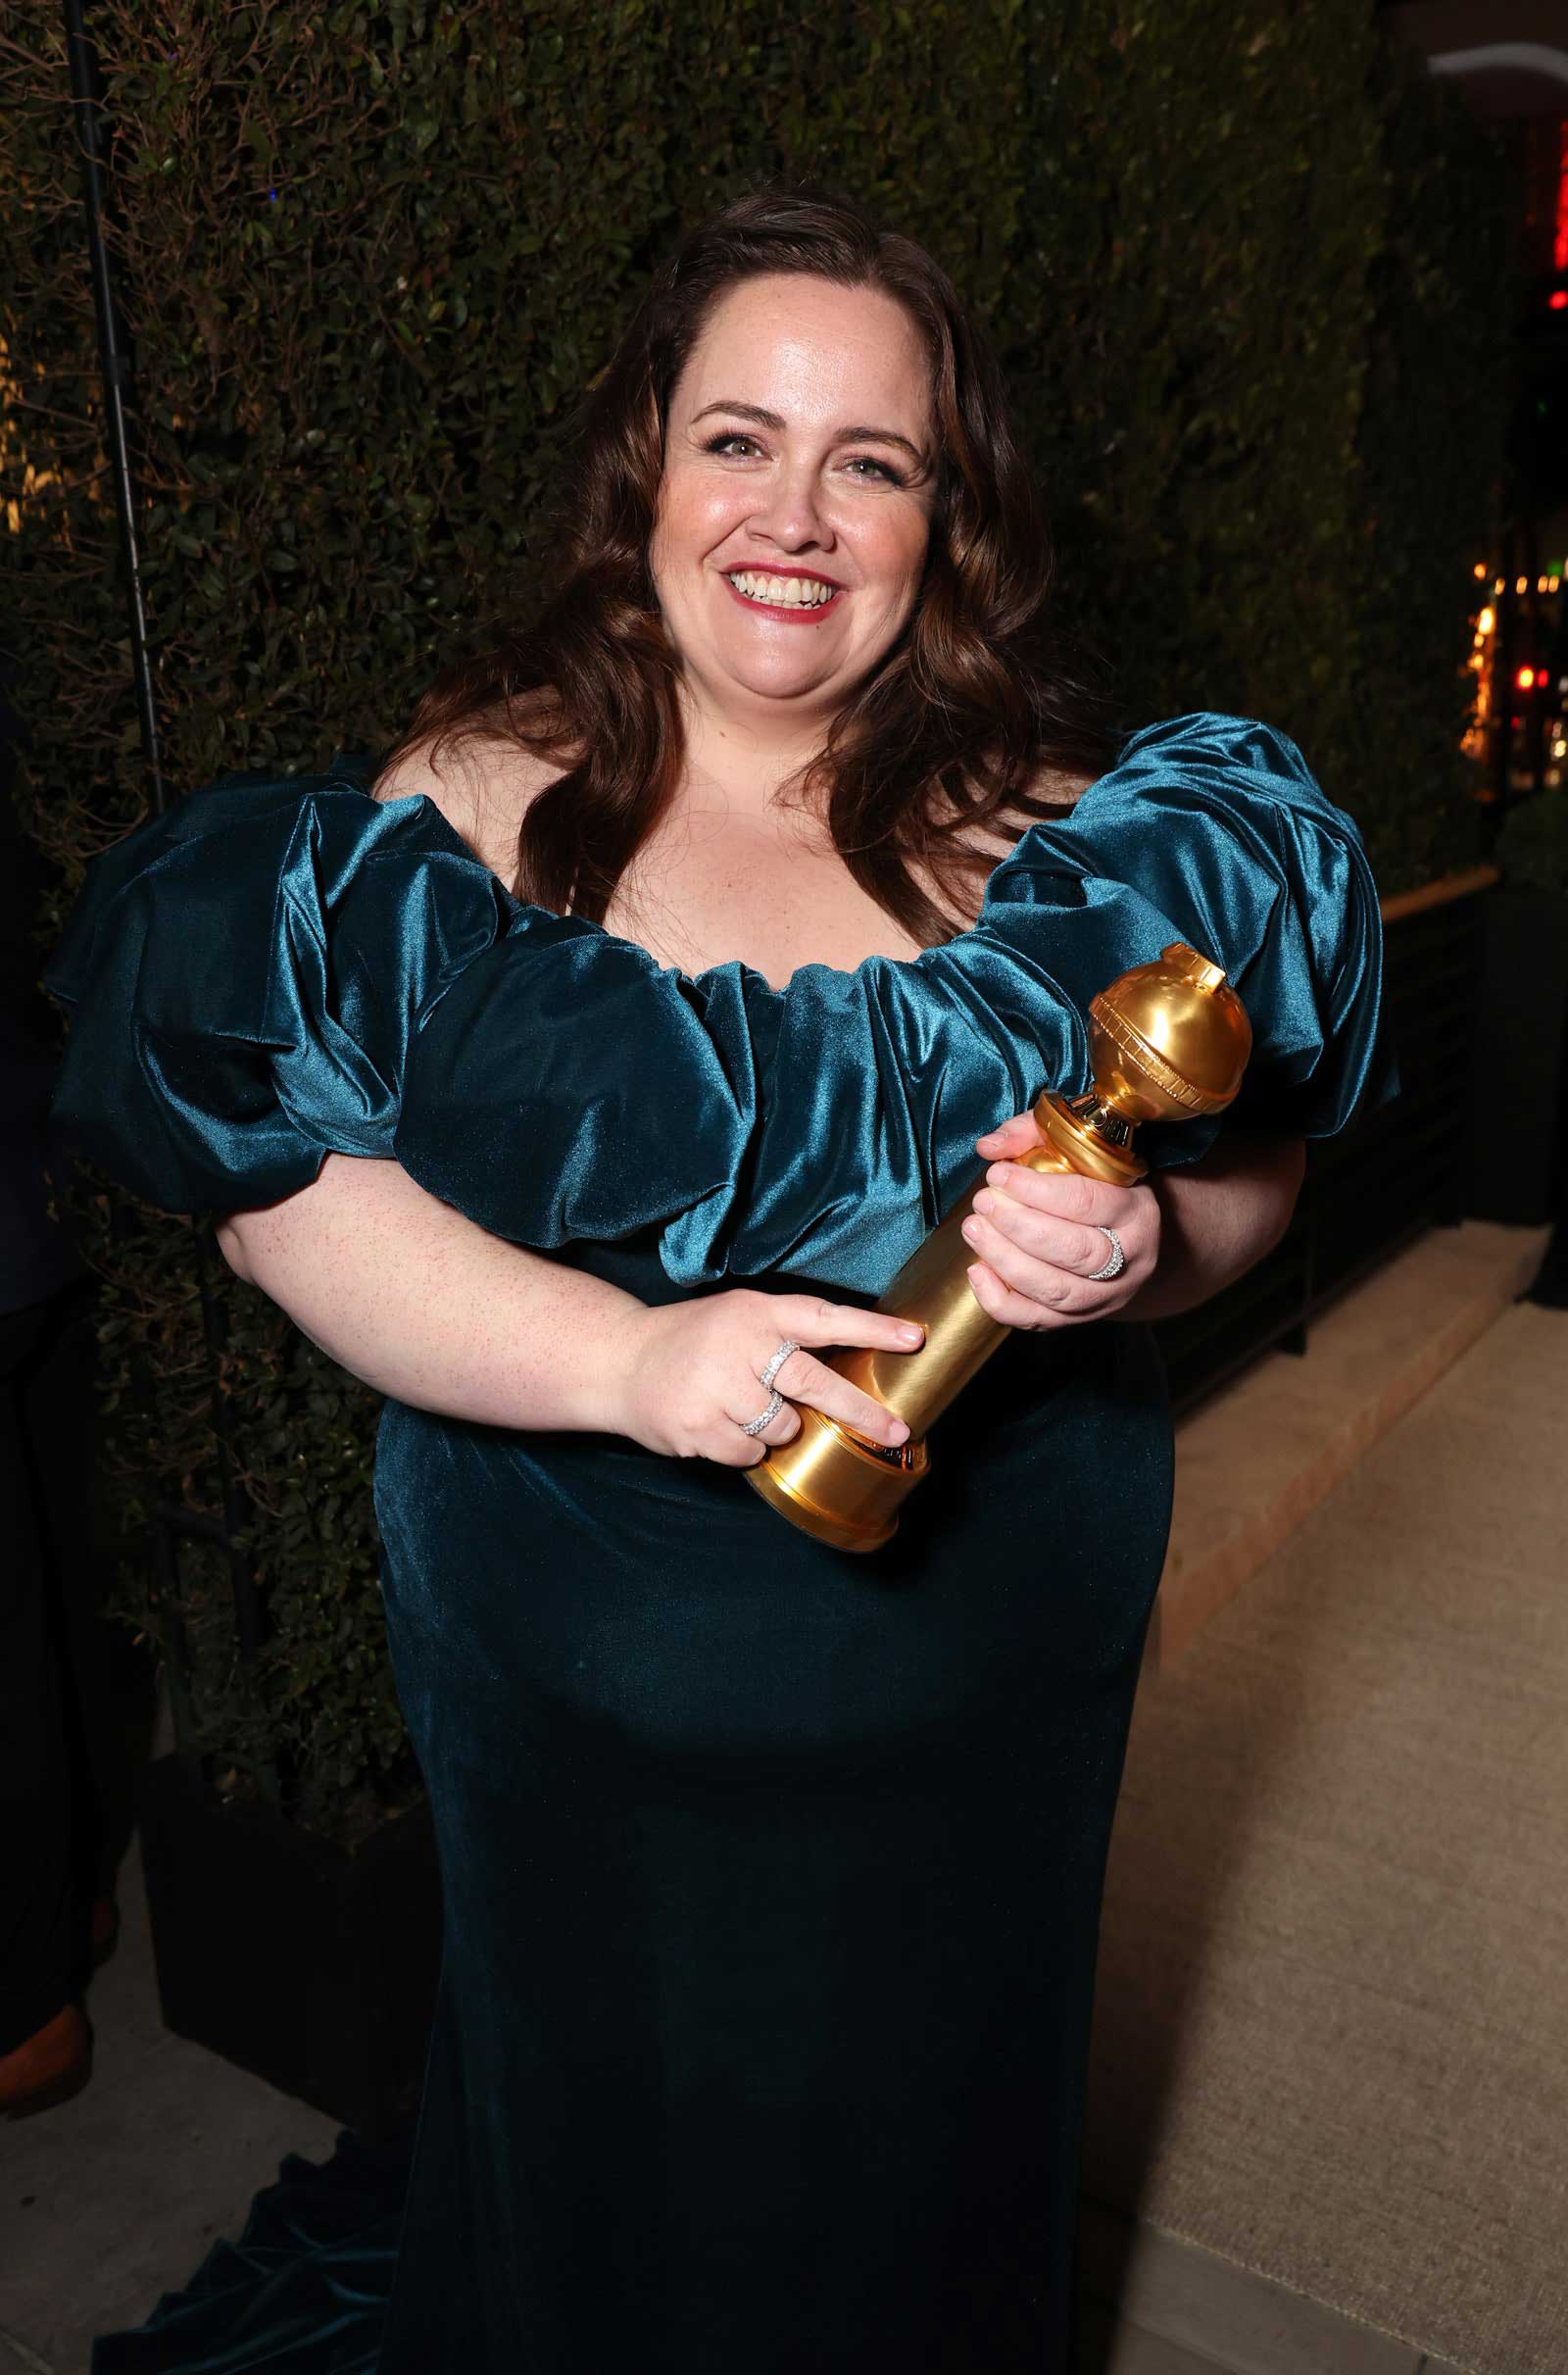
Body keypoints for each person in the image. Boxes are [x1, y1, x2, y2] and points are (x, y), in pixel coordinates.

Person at [54, 187, 1394, 2372]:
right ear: (642, 473)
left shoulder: (1085, 830)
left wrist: (1146, 1245)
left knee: (928, 2151)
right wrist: (626, 1360)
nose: (796, 513)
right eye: (735, 440)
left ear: (942, 518)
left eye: (868, 460)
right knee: (609, 2177)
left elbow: (1256, 1174)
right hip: (577, 1678)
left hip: (989, 1666)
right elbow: (273, 1185)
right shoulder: (467, 806)